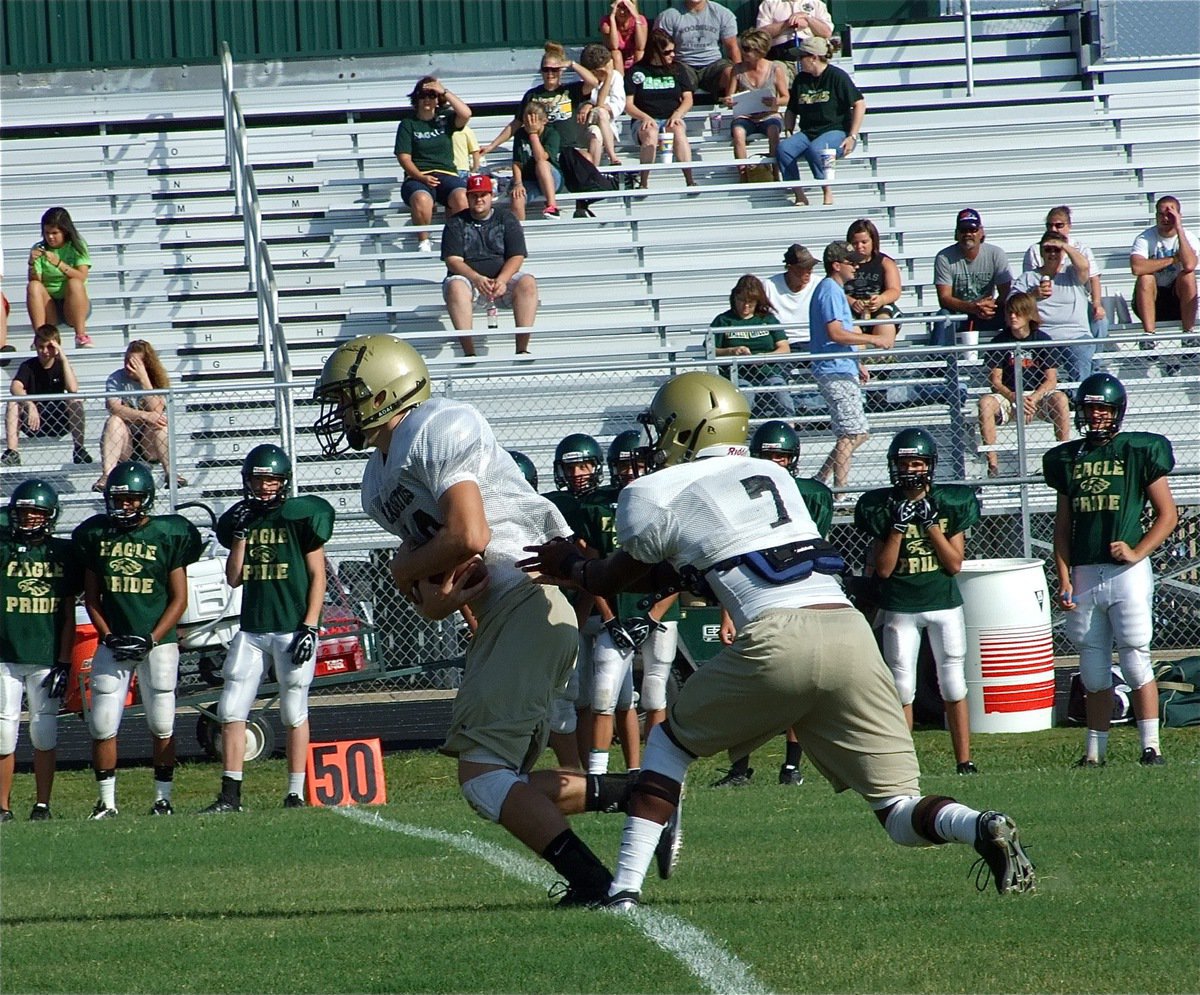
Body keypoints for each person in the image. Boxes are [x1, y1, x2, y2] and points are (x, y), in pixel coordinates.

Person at [519, 371, 1036, 910]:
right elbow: (695, 565)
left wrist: (571, 565)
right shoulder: (773, 475)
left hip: (778, 635)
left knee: (668, 745)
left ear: (683, 429)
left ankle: (622, 889)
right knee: (899, 811)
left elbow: (616, 576)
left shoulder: (654, 491)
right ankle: (979, 825)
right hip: (850, 630)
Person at [312, 335, 656, 907]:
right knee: (500, 783)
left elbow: (471, 535)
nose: (340, 411)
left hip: (530, 594)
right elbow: (435, 590)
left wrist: (402, 569)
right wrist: (433, 597)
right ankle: (641, 793)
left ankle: (597, 883)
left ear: (384, 390)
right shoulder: (377, 481)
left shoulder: (436, 425)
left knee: (483, 778)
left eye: (348, 397)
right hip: (504, 613)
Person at [1043, 372, 1177, 768]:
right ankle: (1094, 751)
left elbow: (1167, 515)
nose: (1097, 416)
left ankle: (1150, 746)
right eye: (1090, 409)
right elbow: (1062, 527)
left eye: (1103, 408)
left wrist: (1137, 551)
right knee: (1093, 667)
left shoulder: (1137, 450)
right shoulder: (1069, 458)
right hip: (1084, 571)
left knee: (1136, 655)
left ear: (1117, 412)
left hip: (1125, 573)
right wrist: (1063, 575)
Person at [200, 445, 335, 813]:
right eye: (259, 480)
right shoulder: (243, 520)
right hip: (254, 629)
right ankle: (230, 795)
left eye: (271, 480)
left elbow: (317, 575)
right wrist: (241, 536)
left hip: (292, 627)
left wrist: (310, 626)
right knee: (230, 710)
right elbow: (234, 578)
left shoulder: (301, 517)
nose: (265, 487)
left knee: (294, 710)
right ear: (248, 481)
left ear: (284, 483)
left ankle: (295, 792)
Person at [73, 460, 203, 818]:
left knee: (162, 722)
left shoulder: (167, 535)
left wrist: (151, 637)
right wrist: (109, 636)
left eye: (131, 499)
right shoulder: (97, 535)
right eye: (119, 499)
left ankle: (162, 799)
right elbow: (92, 599)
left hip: (157, 644)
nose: (124, 505)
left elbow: (179, 599)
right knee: (102, 723)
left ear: (146, 500)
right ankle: (106, 802)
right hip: (113, 643)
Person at [711, 420, 832, 788]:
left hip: (797, 593)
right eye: (769, 456)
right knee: (748, 685)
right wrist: (727, 612)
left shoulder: (811, 494)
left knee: (795, 685)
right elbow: (729, 558)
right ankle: (739, 768)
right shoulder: (736, 494)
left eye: (782, 457)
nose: (776, 463)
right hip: (753, 594)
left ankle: (792, 767)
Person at [854, 429, 981, 773]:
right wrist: (896, 528)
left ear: (930, 466)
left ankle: (964, 761)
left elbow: (954, 564)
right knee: (902, 687)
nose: (910, 470)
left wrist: (931, 526)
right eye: (904, 463)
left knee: (953, 682)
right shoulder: (881, 506)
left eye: (917, 463)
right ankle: (905, 765)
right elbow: (883, 569)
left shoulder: (949, 502)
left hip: (943, 603)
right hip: (900, 606)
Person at [0, 480, 82, 822]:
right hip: (5, 655)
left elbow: (67, 614)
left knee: (43, 731)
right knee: (3, 733)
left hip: (46, 656)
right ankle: (2, 807)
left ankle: (42, 804)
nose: (31, 517)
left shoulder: (62, 553)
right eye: (24, 511)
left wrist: (65, 660)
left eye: (37, 511)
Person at [810, 240, 887, 489]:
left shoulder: (835, 290)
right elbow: (835, 333)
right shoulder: (830, 290)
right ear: (836, 265)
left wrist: (857, 361)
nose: (855, 267)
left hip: (843, 367)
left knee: (857, 432)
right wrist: (873, 338)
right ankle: (841, 491)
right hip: (834, 369)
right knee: (851, 434)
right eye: (850, 262)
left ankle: (821, 479)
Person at [441, 174, 538, 359]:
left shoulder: (507, 218)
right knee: (456, 286)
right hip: (469, 282)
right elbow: (453, 260)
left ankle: (522, 349)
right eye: (474, 195)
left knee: (528, 282)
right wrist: (477, 278)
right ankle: (469, 353)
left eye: (483, 195)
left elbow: (517, 256)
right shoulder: (455, 223)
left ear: (491, 196)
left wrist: (502, 280)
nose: (479, 199)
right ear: (468, 197)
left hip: (502, 279)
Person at [978, 291, 1070, 477]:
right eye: (1010, 312)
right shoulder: (1000, 341)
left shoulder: (1042, 340)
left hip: (1037, 396)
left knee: (1061, 399)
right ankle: (993, 466)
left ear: (1028, 314)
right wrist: (1015, 397)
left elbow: (1051, 379)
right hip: (1009, 396)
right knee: (985, 403)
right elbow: (995, 380)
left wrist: (1032, 399)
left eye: (1018, 312)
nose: (1013, 316)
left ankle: (1064, 460)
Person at [776, 36, 863, 207]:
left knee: (816, 150)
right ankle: (799, 194)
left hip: (836, 129)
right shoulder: (801, 79)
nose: (799, 61)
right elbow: (792, 109)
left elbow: (859, 104)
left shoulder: (837, 76)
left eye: (802, 57)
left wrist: (852, 135)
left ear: (814, 57)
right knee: (784, 149)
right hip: (809, 131)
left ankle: (827, 190)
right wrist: (788, 129)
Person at [481, 44, 599, 165]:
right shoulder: (532, 95)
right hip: (544, 150)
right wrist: (492, 146)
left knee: (586, 159)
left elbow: (593, 82)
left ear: (561, 71)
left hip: (567, 148)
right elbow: (516, 124)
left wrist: (571, 64)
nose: (550, 73)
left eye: (554, 69)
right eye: (546, 69)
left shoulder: (571, 90)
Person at [395, 75, 472, 254]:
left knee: (461, 196)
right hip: (418, 176)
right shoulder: (408, 124)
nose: (427, 100)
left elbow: (466, 113)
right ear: (416, 99)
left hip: (447, 174)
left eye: (432, 95)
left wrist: (444, 91)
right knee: (422, 199)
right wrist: (421, 177)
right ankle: (424, 241)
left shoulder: (445, 118)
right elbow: (404, 157)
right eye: (423, 96)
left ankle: (458, 241)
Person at [93, 340, 179, 492]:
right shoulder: (116, 378)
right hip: (126, 441)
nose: (128, 366)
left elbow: (157, 410)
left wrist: (144, 379)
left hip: (149, 443)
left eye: (134, 363)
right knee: (113, 420)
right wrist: (145, 416)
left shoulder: (156, 379)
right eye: (126, 360)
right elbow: (114, 408)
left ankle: (171, 474)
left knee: (161, 425)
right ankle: (106, 476)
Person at [1010, 229, 1094, 382]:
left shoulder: (1072, 274)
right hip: (1041, 336)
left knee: (1081, 356)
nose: (1052, 254)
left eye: (1057, 250)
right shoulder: (1028, 278)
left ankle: (1079, 400)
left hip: (1075, 335)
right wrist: (1032, 295)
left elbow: (1084, 267)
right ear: (1041, 252)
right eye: (1048, 249)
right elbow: (1011, 304)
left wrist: (1065, 246)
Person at [3, 324, 92, 467]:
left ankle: (79, 450)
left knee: (74, 400)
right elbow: (15, 386)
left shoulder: (61, 365)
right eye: (40, 347)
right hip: (33, 421)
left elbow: (73, 388)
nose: (44, 351)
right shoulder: (28, 366)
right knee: (13, 402)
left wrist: (63, 358)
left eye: (49, 347)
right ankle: (12, 452)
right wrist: (29, 404)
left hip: (58, 419)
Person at [710, 273, 793, 419]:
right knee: (745, 391)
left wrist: (765, 357)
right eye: (741, 300)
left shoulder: (768, 319)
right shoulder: (724, 320)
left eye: (751, 302)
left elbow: (784, 348)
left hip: (767, 372)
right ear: (734, 298)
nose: (745, 306)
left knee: (780, 388)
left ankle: (789, 424)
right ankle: (742, 427)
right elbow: (710, 350)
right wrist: (732, 351)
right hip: (737, 375)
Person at [1022, 206, 1107, 342]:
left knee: (1100, 320)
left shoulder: (1081, 249)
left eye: (1059, 225)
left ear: (1069, 226)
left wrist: (1097, 303)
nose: (1054, 229)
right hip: (1044, 304)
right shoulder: (1035, 250)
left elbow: (1093, 278)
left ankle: (1095, 359)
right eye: (1049, 225)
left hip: (1077, 303)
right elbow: (1029, 279)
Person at [931, 208, 1012, 349]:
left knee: (1013, 314)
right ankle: (936, 365)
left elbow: (1006, 292)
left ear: (981, 232)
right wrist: (973, 308)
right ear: (956, 234)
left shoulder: (996, 254)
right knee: (943, 317)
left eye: (972, 229)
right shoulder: (944, 257)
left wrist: (990, 307)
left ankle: (1011, 360)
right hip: (958, 314)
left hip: (988, 313)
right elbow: (944, 298)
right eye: (963, 230)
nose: (968, 234)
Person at [625, 30, 698, 190]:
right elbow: (628, 105)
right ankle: (644, 182)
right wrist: (644, 117)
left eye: (673, 50)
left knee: (678, 129)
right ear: (655, 52)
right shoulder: (637, 71)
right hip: (644, 119)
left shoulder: (678, 69)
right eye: (667, 52)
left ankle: (689, 179)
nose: (672, 55)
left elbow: (688, 98)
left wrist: (678, 113)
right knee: (650, 132)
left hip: (670, 116)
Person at [722, 29, 789, 182]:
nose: (743, 52)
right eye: (742, 48)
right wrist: (729, 101)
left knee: (773, 131)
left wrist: (775, 102)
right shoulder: (737, 69)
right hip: (746, 115)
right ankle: (743, 175)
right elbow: (729, 96)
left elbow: (786, 97)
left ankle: (775, 172)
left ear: (759, 50)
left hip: (768, 114)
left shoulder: (775, 69)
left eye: (747, 49)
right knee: (738, 132)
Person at [1130, 195, 1197, 344]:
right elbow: (1137, 268)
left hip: (1178, 300)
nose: (1165, 219)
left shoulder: (1188, 237)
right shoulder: (1145, 238)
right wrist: (1173, 259)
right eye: (1161, 214)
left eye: (1170, 215)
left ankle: (1188, 335)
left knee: (1188, 276)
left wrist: (1179, 229)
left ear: (1179, 216)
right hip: (1152, 300)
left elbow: (1190, 265)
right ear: (1155, 216)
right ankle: (1149, 336)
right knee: (1146, 277)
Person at [25, 206, 92, 348]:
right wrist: (31, 264)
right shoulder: (39, 248)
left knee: (75, 283)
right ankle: (40, 337)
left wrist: (59, 264)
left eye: (55, 233)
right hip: (50, 305)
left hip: (73, 304)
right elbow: (36, 282)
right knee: (33, 286)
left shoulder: (77, 246)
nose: (50, 237)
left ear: (65, 231)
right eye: (47, 233)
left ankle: (81, 335)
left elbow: (82, 276)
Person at [653, 0, 741, 98]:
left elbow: (732, 47)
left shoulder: (723, 14)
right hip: (683, 64)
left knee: (730, 73)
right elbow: (659, 48)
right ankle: (677, 109)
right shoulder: (668, 16)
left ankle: (733, 107)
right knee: (674, 76)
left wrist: (740, 74)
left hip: (713, 65)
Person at [844, 218, 901, 351]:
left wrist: (881, 299)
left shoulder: (885, 262)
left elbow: (895, 290)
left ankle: (882, 364)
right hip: (850, 309)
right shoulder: (843, 264)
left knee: (885, 323)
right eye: (855, 243)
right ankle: (859, 363)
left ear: (873, 241)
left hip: (878, 308)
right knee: (852, 328)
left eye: (864, 242)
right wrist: (851, 301)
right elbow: (833, 287)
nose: (859, 247)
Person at [510, 101, 564, 221]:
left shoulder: (552, 133)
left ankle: (552, 206)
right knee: (516, 197)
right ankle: (518, 233)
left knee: (542, 165)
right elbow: (517, 162)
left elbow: (541, 158)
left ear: (543, 121)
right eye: (526, 120)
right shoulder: (520, 134)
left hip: (551, 178)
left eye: (533, 120)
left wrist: (533, 134)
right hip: (530, 179)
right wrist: (518, 183)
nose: (529, 124)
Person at [763, 242, 819, 349]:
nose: (809, 271)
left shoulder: (819, 284)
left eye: (811, 266)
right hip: (783, 344)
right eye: (804, 267)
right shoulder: (769, 286)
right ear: (790, 268)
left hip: (814, 342)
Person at [580, 43, 627, 168]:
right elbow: (593, 102)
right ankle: (612, 157)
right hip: (585, 126)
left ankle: (594, 174)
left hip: (608, 126)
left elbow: (617, 104)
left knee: (596, 132)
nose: (605, 72)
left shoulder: (616, 77)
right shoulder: (583, 81)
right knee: (599, 115)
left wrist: (592, 105)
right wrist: (593, 104)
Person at [756, 0, 834, 64]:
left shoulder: (817, 4)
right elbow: (761, 34)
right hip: (780, 53)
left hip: (810, 52)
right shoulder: (769, 3)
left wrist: (808, 19)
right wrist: (787, 24)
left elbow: (827, 33)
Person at [601, 0, 649, 70]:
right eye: (619, 7)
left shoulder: (640, 19)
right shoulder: (606, 22)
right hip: (615, 61)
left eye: (626, 7)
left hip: (634, 58)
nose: (622, 12)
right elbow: (614, 46)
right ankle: (620, 79)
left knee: (640, 53)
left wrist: (636, 18)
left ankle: (636, 76)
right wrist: (612, 18)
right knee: (615, 53)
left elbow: (640, 46)